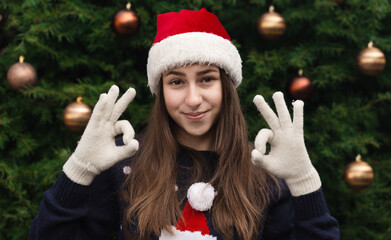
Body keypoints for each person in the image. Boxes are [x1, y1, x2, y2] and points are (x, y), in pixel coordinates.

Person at [29, 8, 340, 240]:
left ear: (227, 88)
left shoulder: (265, 173)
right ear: (161, 92)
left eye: (206, 79)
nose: (193, 99)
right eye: (176, 82)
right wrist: (79, 169)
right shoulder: (122, 167)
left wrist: (303, 180)